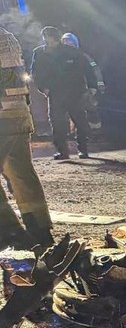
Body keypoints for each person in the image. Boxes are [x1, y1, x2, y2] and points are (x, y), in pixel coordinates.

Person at [0, 26, 53, 249]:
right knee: (21, 173)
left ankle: (11, 234)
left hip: (2, 116)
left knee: (20, 173)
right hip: (18, 116)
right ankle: (40, 230)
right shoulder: (7, 36)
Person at [30, 26, 96, 160]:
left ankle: (83, 149)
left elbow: (87, 69)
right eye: (46, 38)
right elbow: (35, 72)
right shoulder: (39, 53)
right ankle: (62, 151)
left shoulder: (72, 52)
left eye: (51, 38)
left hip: (75, 92)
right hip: (55, 93)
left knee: (80, 121)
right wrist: (43, 88)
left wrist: (92, 86)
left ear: (56, 38)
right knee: (57, 123)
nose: (48, 41)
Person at [61, 33, 104, 130]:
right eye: (64, 42)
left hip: (83, 90)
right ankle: (78, 131)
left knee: (89, 109)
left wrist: (94, 87)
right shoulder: (61, 59)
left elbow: (93, 72)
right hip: (68, 91)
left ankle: (95, 129)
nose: (67, 44)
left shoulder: (83, 57)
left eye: (69, 42)